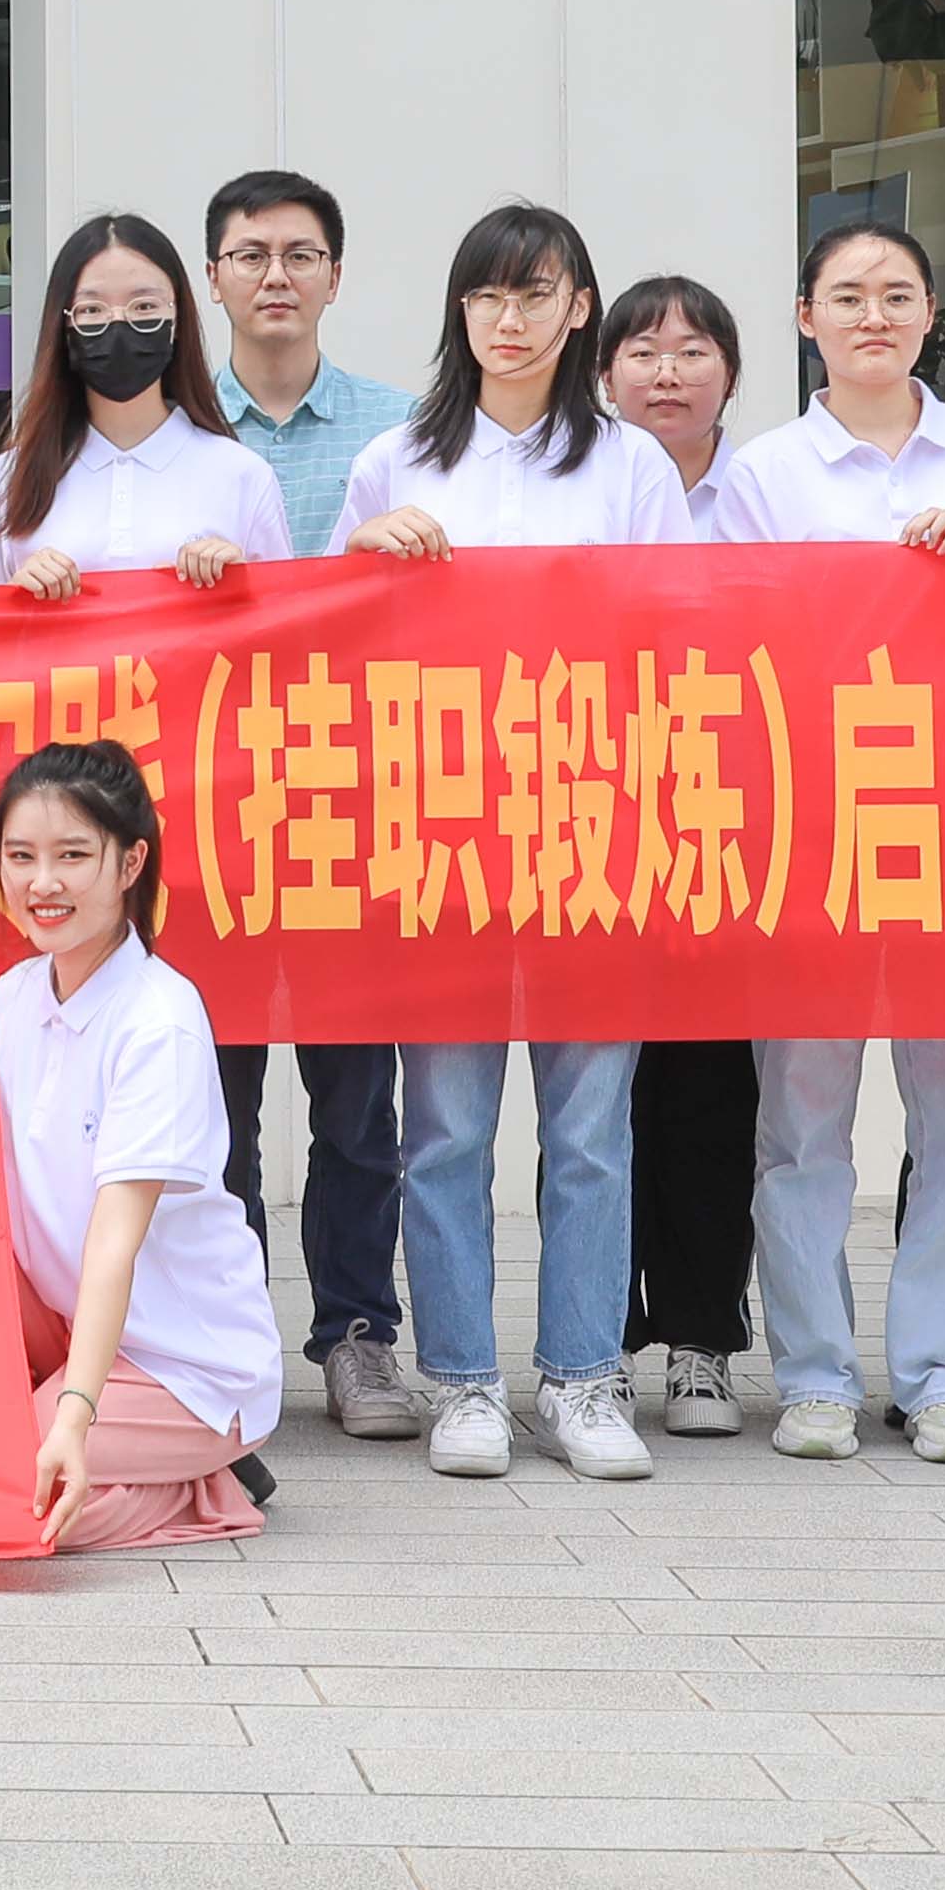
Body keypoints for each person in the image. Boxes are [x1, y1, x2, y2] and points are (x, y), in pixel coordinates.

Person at [341, 204, 694, 1486]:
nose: (510, 317)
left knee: (589, 1128)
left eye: (536, 293)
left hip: (593, 826)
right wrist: (362, 556)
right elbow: (333, 651)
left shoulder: (631, 468)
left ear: (579, 307)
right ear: (460, 309)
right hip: (440, 830)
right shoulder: (394, 461)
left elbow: (680, 643)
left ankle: (584, 1376)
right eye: (488, 294)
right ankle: (464, 1381)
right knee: (444, 1129)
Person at [724, 217, 945, 1465]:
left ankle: (944, 1372)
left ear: (932, 316)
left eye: (897, 293)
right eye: (847, 294)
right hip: (812, 825)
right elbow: (734, 648)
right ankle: (813, 1375)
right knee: (802, 1122)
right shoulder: (764, 471)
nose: (873, 315)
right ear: (806, 317)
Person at [197, 168, 417, 1448]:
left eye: (298, 254)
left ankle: (358, 1334)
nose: (274, 275)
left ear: (336, 273)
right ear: (212, 277)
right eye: (249, 254)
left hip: (355, 797)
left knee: (356, 1098)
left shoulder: (406, 432)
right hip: (208, 809)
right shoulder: (172, 431)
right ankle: (225, 1338)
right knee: (214, 1099)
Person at [0, 740, 276, 1552]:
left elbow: (114, 1245)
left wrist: (73, 1417)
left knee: (3, 1486)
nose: (43, 883)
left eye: (73, 856)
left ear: (130, 864)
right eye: (21, 856)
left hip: (186, 1362)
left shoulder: (158, 1022)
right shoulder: (12, 996)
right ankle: (117, 1446)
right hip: (68, 1320)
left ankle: (200, 1490)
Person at [594, 272, 767, 1439]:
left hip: (733, 824)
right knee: (596, 1097)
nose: (668, 371)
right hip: (596, 816)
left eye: (694, 350)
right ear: (605, 372)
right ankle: (600, 1332)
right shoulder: (581, 480)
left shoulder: (767, 491)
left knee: (710, 1087)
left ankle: (703, 1335)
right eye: (644, 351)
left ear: (731, 374)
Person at [0, 212, 290, 600]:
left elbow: (285, 622)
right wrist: (16, 599)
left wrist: (240, 586)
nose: (119, 324)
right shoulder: (8, 481)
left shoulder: (243, 475)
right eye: (91, 310)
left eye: (144, 306)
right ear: (63, 327)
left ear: (177, 319)